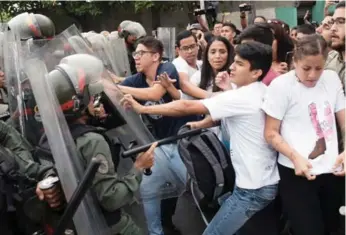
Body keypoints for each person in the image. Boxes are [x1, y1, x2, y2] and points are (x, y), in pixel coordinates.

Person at [121, 41, 280, 235]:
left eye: (239, 64)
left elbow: (186, 106)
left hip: (252, 190)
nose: (231, 66)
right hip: (260, 183)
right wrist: (198, 124)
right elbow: (224, 117)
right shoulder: (257, 92)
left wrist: (143, 108)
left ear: (256, 73)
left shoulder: (242, 97)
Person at [45, 53, 157, 235]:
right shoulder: (92, 141)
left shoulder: (51, 134)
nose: (94, 99)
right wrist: (138, 167)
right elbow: (112, 199)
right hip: (105, 224)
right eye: (90, 95)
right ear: (78, 103)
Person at [262, 34, 345, 235]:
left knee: (333, 227)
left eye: (319, 68)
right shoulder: (282, 86)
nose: (313, 75)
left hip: (332, 169)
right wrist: (295, 157)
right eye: (306, 68)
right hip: (296, 171)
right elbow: (271, 133)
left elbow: (343, 120)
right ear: (294, 61)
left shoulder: (331, 79)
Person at [118, 36, 197, 235]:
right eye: (135, 53)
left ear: (155, 56)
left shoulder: (166, 69)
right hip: (160, 147)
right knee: (149, 191)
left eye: (140, 53)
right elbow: (120, 94)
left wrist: (116, 87)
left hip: (183, 143)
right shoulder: (135, 80)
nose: (135, 57)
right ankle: (156, 232)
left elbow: (153, 95)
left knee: (195, 191)